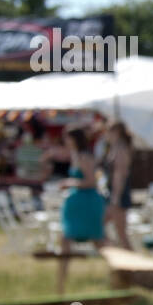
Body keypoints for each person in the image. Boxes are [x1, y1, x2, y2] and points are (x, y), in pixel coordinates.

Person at [56, 124, 106, 294]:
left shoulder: (84, 157)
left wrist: (70, 183)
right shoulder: (76, 155)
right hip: (77, 206)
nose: (65, 141)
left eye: (67, 137)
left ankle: (122, 273)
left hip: (87, 205)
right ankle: (60, 286)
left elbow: (91, 181)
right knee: (66, 242)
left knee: (100, 242)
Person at [103, 121, 134, 249]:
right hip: (115, 193)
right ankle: (116, 252)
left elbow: (120, 175)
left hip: (118, 194)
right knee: (117, 231)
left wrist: (115, 197)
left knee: (121, 233)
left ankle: (133, 264)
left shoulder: (120, 149)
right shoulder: (116, 147)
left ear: (116, 132)